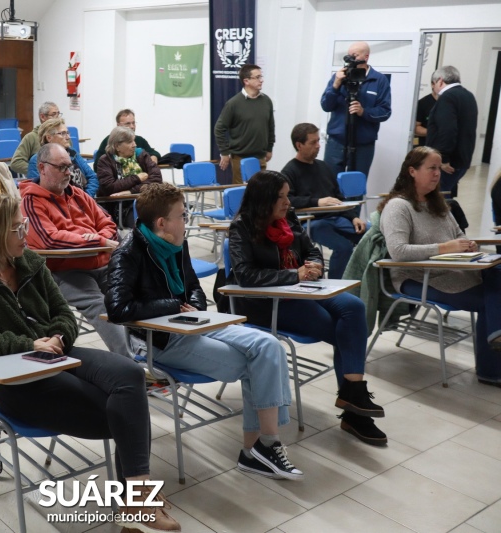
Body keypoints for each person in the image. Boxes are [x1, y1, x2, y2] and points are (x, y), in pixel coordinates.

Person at [0, 192, 181, 532]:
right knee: (121, 410)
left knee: (130, 375)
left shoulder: (31, 263)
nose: (25, 234)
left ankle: (136, 498)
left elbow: (64, 316)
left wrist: (56, 338)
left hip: (56, 354)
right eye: (16, 228)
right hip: (15, 379)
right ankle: (138, 501)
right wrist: (28, 343)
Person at [106, 182, 304, 480]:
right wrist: (172, 305)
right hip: (159, 340)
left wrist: (193, 307)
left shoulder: (177, 243)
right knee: (257, 364)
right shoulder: (127, 253)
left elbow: (195, 288)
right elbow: (118, 309)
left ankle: (262, 447)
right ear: (162, 223)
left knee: (270, 346)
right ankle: (261, 447)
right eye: (182, 215)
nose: (187, 220)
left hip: (192, 323)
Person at [230, 170, 386, 445]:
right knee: (345, 331)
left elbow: (310, 248)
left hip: (303, 289)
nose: (288, 203)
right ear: (264, 199)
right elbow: (244, 275)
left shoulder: (287, 218)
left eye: (288, 196)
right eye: (281, 197)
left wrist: (315, 265)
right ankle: (355, 412)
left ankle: (353, 396)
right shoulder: (242, 225)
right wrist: (293, 275)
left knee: (353, 307)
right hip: (270, 302)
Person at [379, 147, 501, 385]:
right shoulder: (398, 206)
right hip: (416, 278)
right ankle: (491, 369)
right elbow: (398, 251)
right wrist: (445, 248)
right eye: (432, 168)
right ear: (412, 171)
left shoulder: (439, 203)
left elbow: (457, 235)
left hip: (454, 270)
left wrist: (468, 246)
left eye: (439, 168)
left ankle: (495, 346)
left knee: (498, 275)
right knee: (493, 299)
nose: (438, 173)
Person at [21, 143, 129, 356]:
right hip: (63, 272)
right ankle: (130, 365)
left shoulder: (78, 194)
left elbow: (108, 223)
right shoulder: (31, 202)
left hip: (101, 264)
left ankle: (149, 354)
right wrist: (98, 242)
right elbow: (50, 240)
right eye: (61, 167)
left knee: (129, 293)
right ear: (42, 168)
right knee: (100, 306)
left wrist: (101, 239)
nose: (68, 172)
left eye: (69, 167)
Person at [281, 123, 367, 279]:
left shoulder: (323, 167)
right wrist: (317, 202)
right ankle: (335, 288)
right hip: (311, 222)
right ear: (299, 145)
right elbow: (289, 201)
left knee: (371, 234)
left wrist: (353, 217)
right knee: (344, 247)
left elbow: (338, 199)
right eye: (313, 142)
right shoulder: (289, 171)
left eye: (318, 141)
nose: (318, 146)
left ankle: (363, 283)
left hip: (336, 218)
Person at [320, 41, 391, 178]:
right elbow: (325, 106)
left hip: (363, 145)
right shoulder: (339, 77)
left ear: (366, 57)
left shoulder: (379, 80)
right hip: (337, 141)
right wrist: (336, 84)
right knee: (329, 184)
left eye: (355, 55)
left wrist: (363, 112)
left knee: (355, 187)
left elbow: (385, 111)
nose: (350, 59)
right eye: (348, 55)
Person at [214, 64, 275, 184]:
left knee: (261, 193)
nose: (261, 80)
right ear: (246, 81)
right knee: (242, 194)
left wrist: (269, 148)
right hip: (240, 157)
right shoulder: (234, 103)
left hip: (260, 157)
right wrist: (224, 152)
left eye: (261, 76)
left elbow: (270, 127)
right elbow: (219, 129)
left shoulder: (266, 101)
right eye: (257, 77)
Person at [425, 66, 478, 199]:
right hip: (462, 160)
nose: (434, 88)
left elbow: (447, 130)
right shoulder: (468, 95)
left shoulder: (447, 97)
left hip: (448, 163)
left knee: (437, 201)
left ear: (440, 81)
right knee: (444, 198)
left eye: (434, 83)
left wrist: (443, 158)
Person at [26, 117, 99, 197]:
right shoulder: (37, 160)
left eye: (68, 133)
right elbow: (38, 190)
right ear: (49, 138)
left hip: (83, 201)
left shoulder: (72, 153)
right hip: (58, 205)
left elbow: (92, 177)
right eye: (63, 133)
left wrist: (85, 198)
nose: (68, 137)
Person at [96, 126, 162, 197]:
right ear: (117, 146)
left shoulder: (141, 155)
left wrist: (131, 191)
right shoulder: (105, 161)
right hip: (116, 204)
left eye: (134, 141)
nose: (135, 145)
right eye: (130, 142)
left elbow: (157, 179)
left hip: (143, 200)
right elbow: (109, 187)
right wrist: (137, 178)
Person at [93, 109, 161, 172]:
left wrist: (154, 157)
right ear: (118, 125)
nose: (132, 126)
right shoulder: (109, 141)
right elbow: (97, 166)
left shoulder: (139, 140)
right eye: (128, 123)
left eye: (133, 123)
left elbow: (153, 152)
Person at [9, 101, 61, 175]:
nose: (58, 118)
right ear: (42, 117)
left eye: (58, 114)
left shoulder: (63, 137)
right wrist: (37, 171)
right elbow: (16, 163)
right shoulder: (31, 138)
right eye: (53, 114)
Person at [414, 80, 438, 146]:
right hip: (426, 147)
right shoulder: (422, 103)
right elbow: (415, 128)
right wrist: (436, 132)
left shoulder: (451, 103)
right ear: (433, 84)